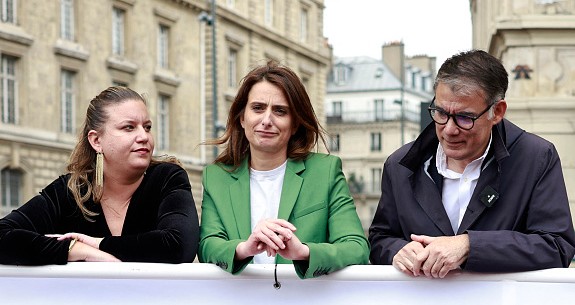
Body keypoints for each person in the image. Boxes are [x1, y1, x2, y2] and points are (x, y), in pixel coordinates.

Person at [369, 50, 575, 278]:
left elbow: (557, 246)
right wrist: (397, 251)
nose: (449, 129)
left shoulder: (537, 157)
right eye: (440, 112)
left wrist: (469, 246)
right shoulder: (399, 164)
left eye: (465, 118)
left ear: (497, 112)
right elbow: (380, 240)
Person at [199, 61, 369, 279]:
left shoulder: (325, 171)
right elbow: (207, 246)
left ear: (295, 123)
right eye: (258, 108)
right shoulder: (216, 177)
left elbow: (357, 248)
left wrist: (303, 252)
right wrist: (245, 248)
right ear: (242, 118)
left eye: (280, 111)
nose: (267, 120)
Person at [0, 86, 199, 265]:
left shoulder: (167, 178)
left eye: (147, 127)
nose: (144, 136)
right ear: (96, 140)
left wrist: (98, 244)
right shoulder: (72, 191)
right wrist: (74, 249)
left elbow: (180, 246)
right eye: (129, 127)